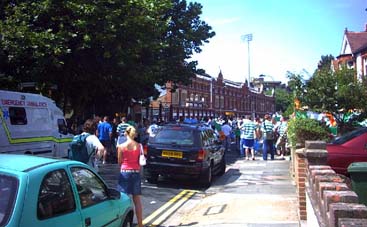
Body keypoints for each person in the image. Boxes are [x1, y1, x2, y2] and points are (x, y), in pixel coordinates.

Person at [117, 126, 144, 227]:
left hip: (124, 172)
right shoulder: (139, 146)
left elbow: (119, 161)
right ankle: (140, 224)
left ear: (126, 133)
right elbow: (139, 161)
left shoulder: (121, 146)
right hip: (135, 172)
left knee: (123, 199)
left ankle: (124, 222)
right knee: (137, 200)